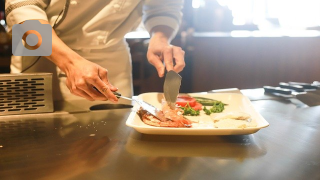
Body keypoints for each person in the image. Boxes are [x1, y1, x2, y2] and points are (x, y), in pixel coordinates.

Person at [5, 0, 185, 102]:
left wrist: (160, 38)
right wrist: (71, 63)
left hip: (111, 58)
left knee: (113, 149)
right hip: (44, 53)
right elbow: (23, 9)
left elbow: (164, 6)